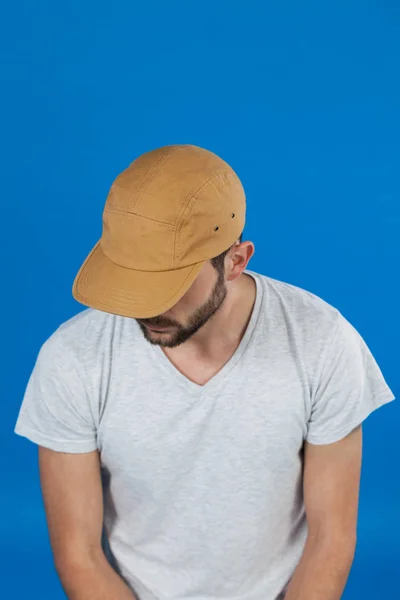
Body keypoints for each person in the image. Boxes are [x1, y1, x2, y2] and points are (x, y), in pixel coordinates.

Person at [15, 144, 395, 600]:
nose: (146, 307)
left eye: (167, 284)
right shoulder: (73, 357)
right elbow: (79, 553)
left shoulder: (322, 340)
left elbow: (331, 538)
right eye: (133, 280)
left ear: (235, 261)